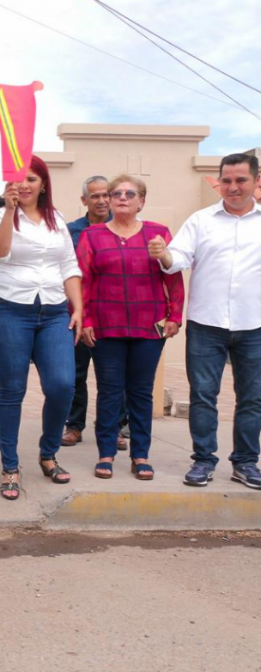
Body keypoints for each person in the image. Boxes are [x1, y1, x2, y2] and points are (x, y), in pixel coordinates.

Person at [149, 153, 261, 490]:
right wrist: (164, 253)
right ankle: (203, 461)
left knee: (253, 398)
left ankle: (245, 462)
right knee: (203, 396)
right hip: (206, 324)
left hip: (254, 325)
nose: (232, 187)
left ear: (256, 181)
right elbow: (177, 258)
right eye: (226, 180)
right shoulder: (201, 220)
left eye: (240, 180)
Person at [0, 156, 82, 500]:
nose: (25, 185)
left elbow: (69, 264)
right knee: (11, 391)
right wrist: (8, 211)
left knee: (62, 385)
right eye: (18, 179)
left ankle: (48, 453)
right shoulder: (0, 215)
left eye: (32, 179)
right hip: (9, 309)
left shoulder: (57, 220)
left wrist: (78, 307)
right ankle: (10, 466)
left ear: (43, 184)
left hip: (54, 312)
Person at [78, 175, 183, 480]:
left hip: (148, 327)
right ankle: (106, 453)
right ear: (108, 200)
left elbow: (172, 275)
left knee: (140, 392)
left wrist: (175, 315)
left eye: (130, 193)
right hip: (105, 326)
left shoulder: (158, 234)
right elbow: (83, 281)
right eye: (116, 193)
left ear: (141, 201)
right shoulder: (92, 235)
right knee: (109, 391)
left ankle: (140, 455)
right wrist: (84, 320)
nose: (122, 197)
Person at [62, 176, 126, 448]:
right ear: (84, 200)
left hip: (112, 314)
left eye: (105, 195)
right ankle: (74, 426)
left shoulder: (124, 228)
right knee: (75, 373)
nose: (101, 200)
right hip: (77, 312)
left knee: (114, 375)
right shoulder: (70, 231)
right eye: (94, 196)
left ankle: (116, 428)